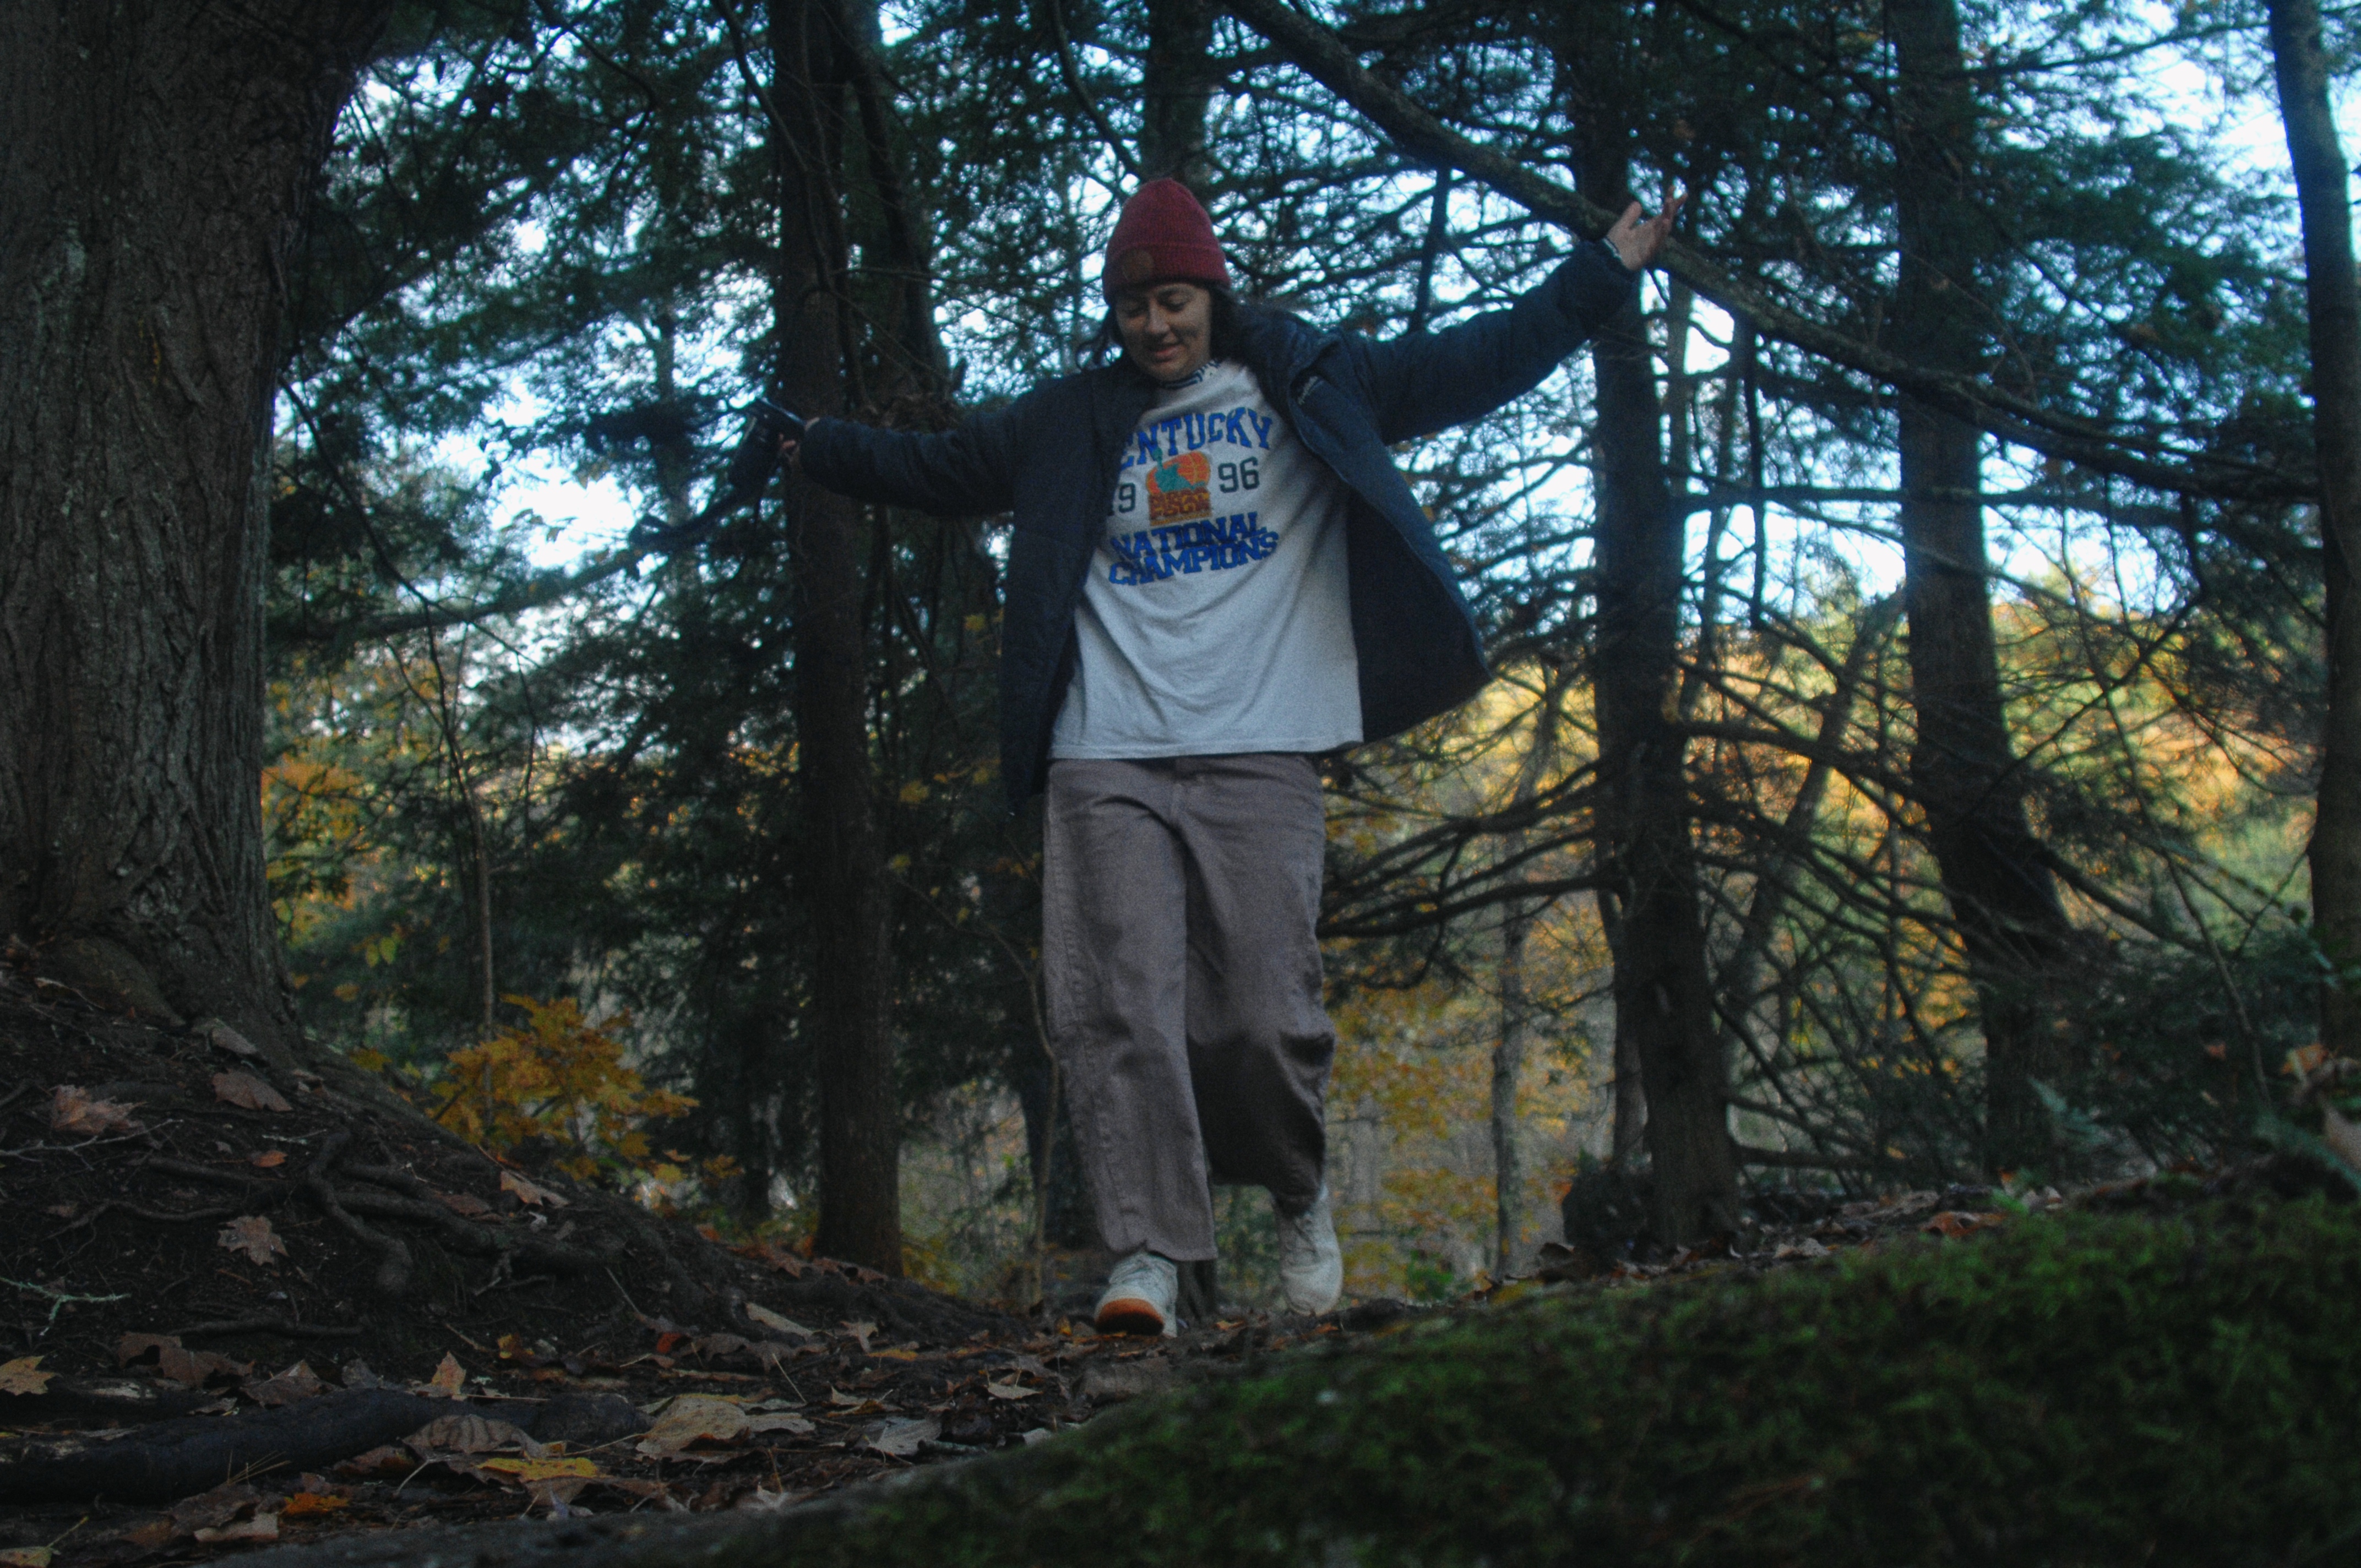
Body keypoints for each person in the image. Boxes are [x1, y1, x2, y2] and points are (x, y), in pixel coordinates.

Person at [784, 177, 1677, 1335]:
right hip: (1102, 747)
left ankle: (1297, 1190)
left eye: (1171, 300)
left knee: (1257, 1012)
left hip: (1258, 741)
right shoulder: (1066, 420)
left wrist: (1601, 273)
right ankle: (1147, 1249)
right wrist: (820, 449)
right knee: (1121, 1009)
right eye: (1131, 307)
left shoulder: (1309, 380)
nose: (1154, 326)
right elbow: (944, 468)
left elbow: (1477, 359)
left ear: (1210, 292)